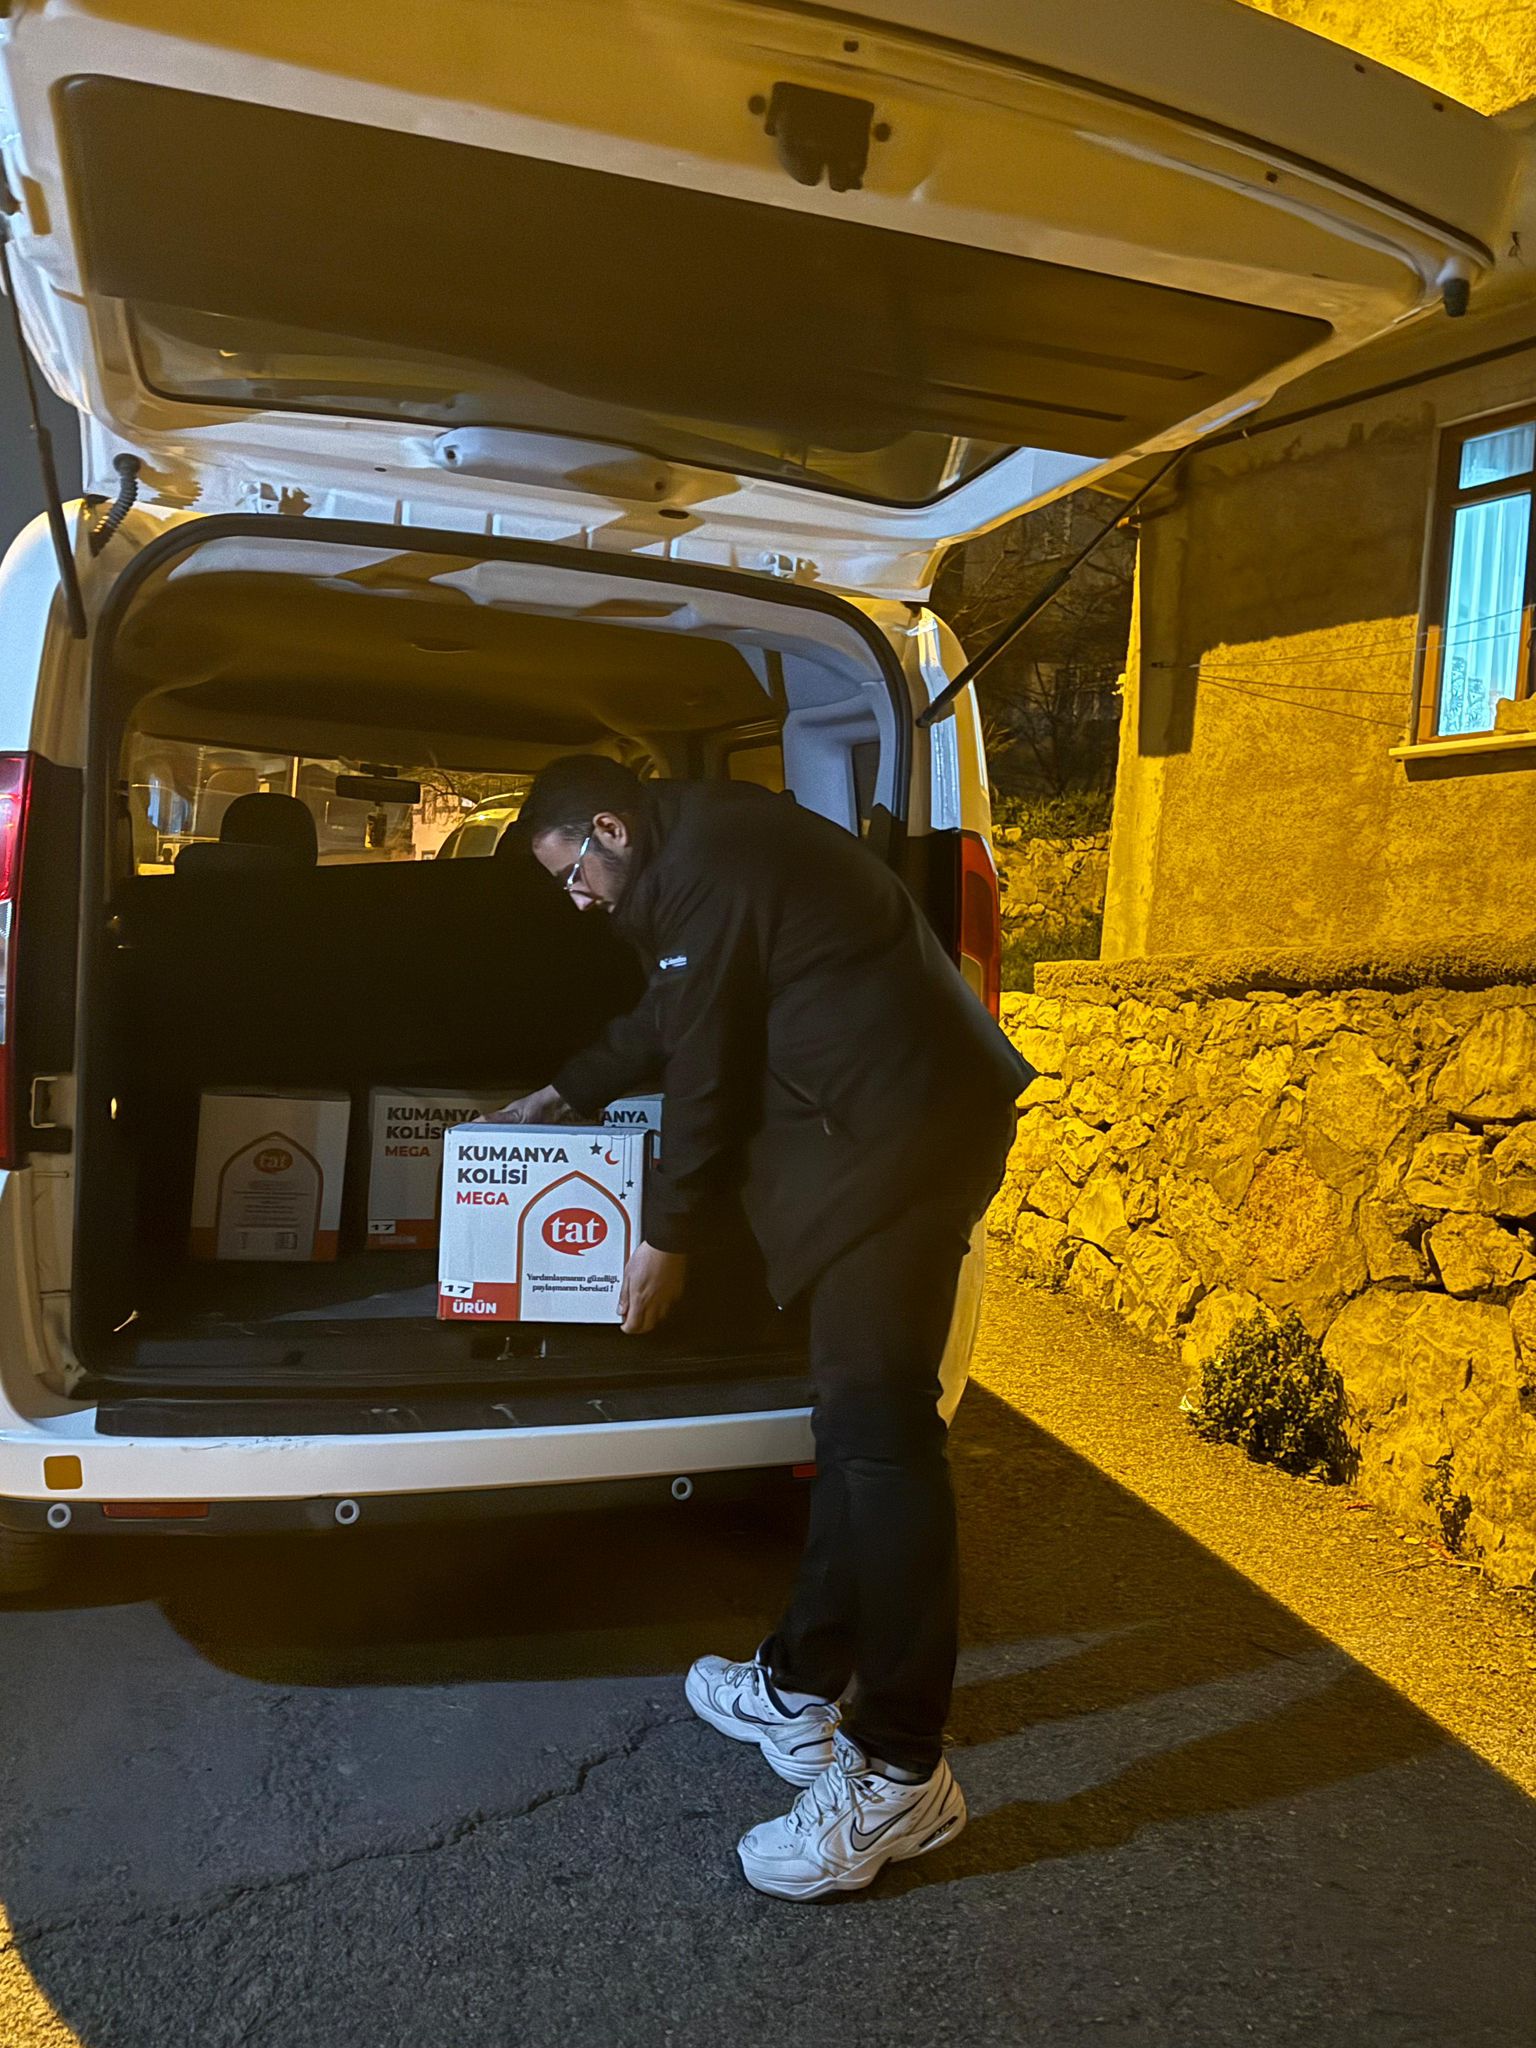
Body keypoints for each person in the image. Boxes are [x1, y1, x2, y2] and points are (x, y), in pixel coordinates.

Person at [494, 755, 1031, 1899]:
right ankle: (798, 1683)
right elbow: (676, 1010)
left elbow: (703, 1069)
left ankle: (899, 1769)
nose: (575, 900)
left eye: (573, 874)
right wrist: (566, 1090)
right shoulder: (696, 856)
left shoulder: (714, 861)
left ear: (607, 828)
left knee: (884, 1438)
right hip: (872, 1132)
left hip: (902, 1139)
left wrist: (667, 1234)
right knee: (852, 1426)